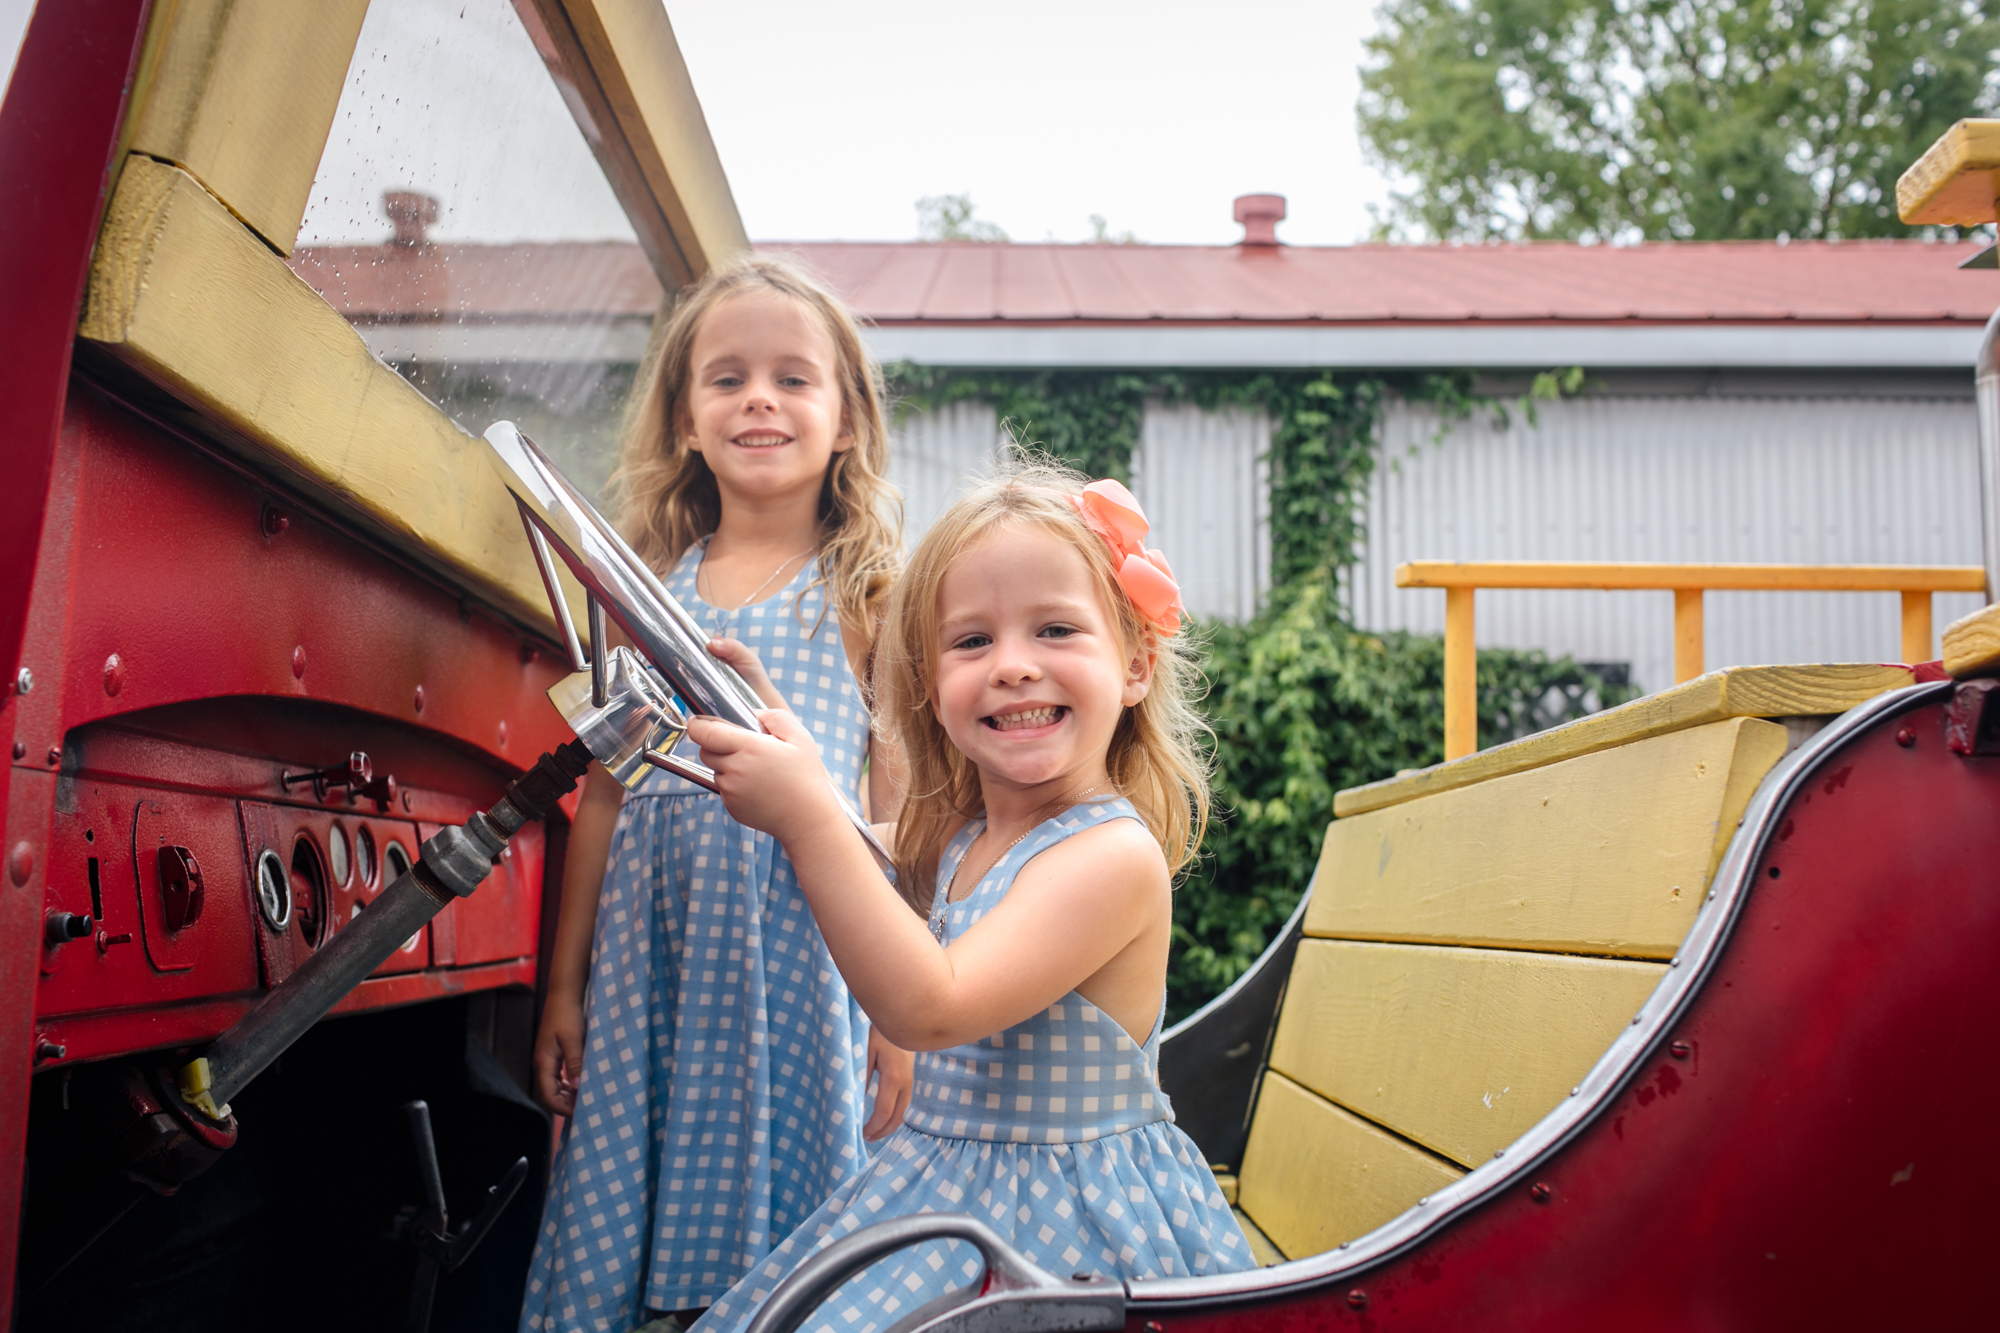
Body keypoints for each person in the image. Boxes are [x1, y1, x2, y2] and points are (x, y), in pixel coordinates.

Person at [683, 460, 1255, 1333]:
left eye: (1056, 629)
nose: (1014, 666)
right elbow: (868, 860)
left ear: (1135, 664)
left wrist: (805, 819)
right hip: (951, 1198)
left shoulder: (1109, 857)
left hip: (1063, 1237)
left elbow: (932, 1004)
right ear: (929, 685)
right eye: (972, 641)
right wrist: (792, 750)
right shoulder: (963, 837)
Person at [520, 256, 914, 1333]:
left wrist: (899, 1009)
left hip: (800, 953)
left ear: (843, 423)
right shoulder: (644, 589)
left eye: (794, 378)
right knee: (629, 1185)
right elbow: (607, 793)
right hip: (657, 952)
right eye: (727, 377)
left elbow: (898, 810)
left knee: (790, 1215)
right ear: (685, 420)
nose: (759, 400)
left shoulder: (863, 596)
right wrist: (566, 985)